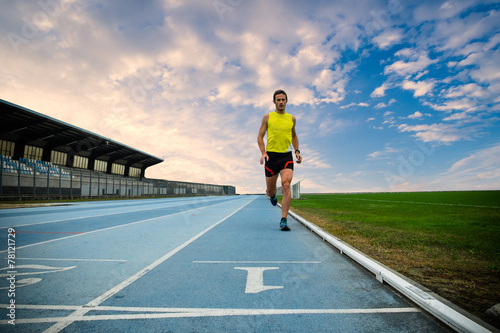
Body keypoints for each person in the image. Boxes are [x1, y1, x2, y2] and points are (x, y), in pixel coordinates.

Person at [257, 89, 302, 231]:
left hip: (285, 156)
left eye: (283, 99)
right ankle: (272, 195)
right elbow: (260, 136)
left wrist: (297, 151)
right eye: (278, 100)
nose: (281, 102)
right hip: (271, 156)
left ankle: (283, 219)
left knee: (286, 184)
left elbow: (294, 136)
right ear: (274, 101)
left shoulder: (292, 119)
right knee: (271, 191)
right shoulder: (267, 117)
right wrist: (263, 153)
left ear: (286, 101)